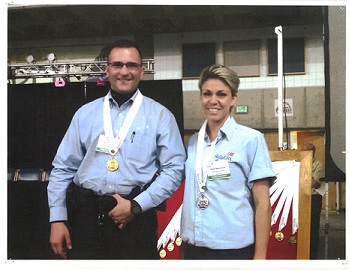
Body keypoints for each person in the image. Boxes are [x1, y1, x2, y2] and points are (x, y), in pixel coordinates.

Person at [47, 39, 186, 259]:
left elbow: (175, 169)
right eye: (117, 65)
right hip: (86, 218)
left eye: (131, 65)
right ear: (107, 70)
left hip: (136, 219)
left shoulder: (160, 116)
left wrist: (137, 205)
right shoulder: (85, 114)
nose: (124, 71)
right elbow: (63, 168)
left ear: (141, 71)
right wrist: (57, 218)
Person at [180, 64, 276, 260]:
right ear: (200, 97)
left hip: (233, 251)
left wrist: (260, 256)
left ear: (233, 98)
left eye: (221, 94)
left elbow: (262, 203)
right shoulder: (192, 143)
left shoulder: (250, 140)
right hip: (193, 248)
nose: (213, 101)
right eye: (207, 94)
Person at [301, 143, 325, 259]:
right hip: (301, 198)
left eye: (306, 151)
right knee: (300, 227)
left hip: (314, 199)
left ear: (312, 152)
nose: (303, 153)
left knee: (312, 229)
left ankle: (312, 256)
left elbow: (315, 184)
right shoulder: (298, 163)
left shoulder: (319, 165)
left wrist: (304, 172)